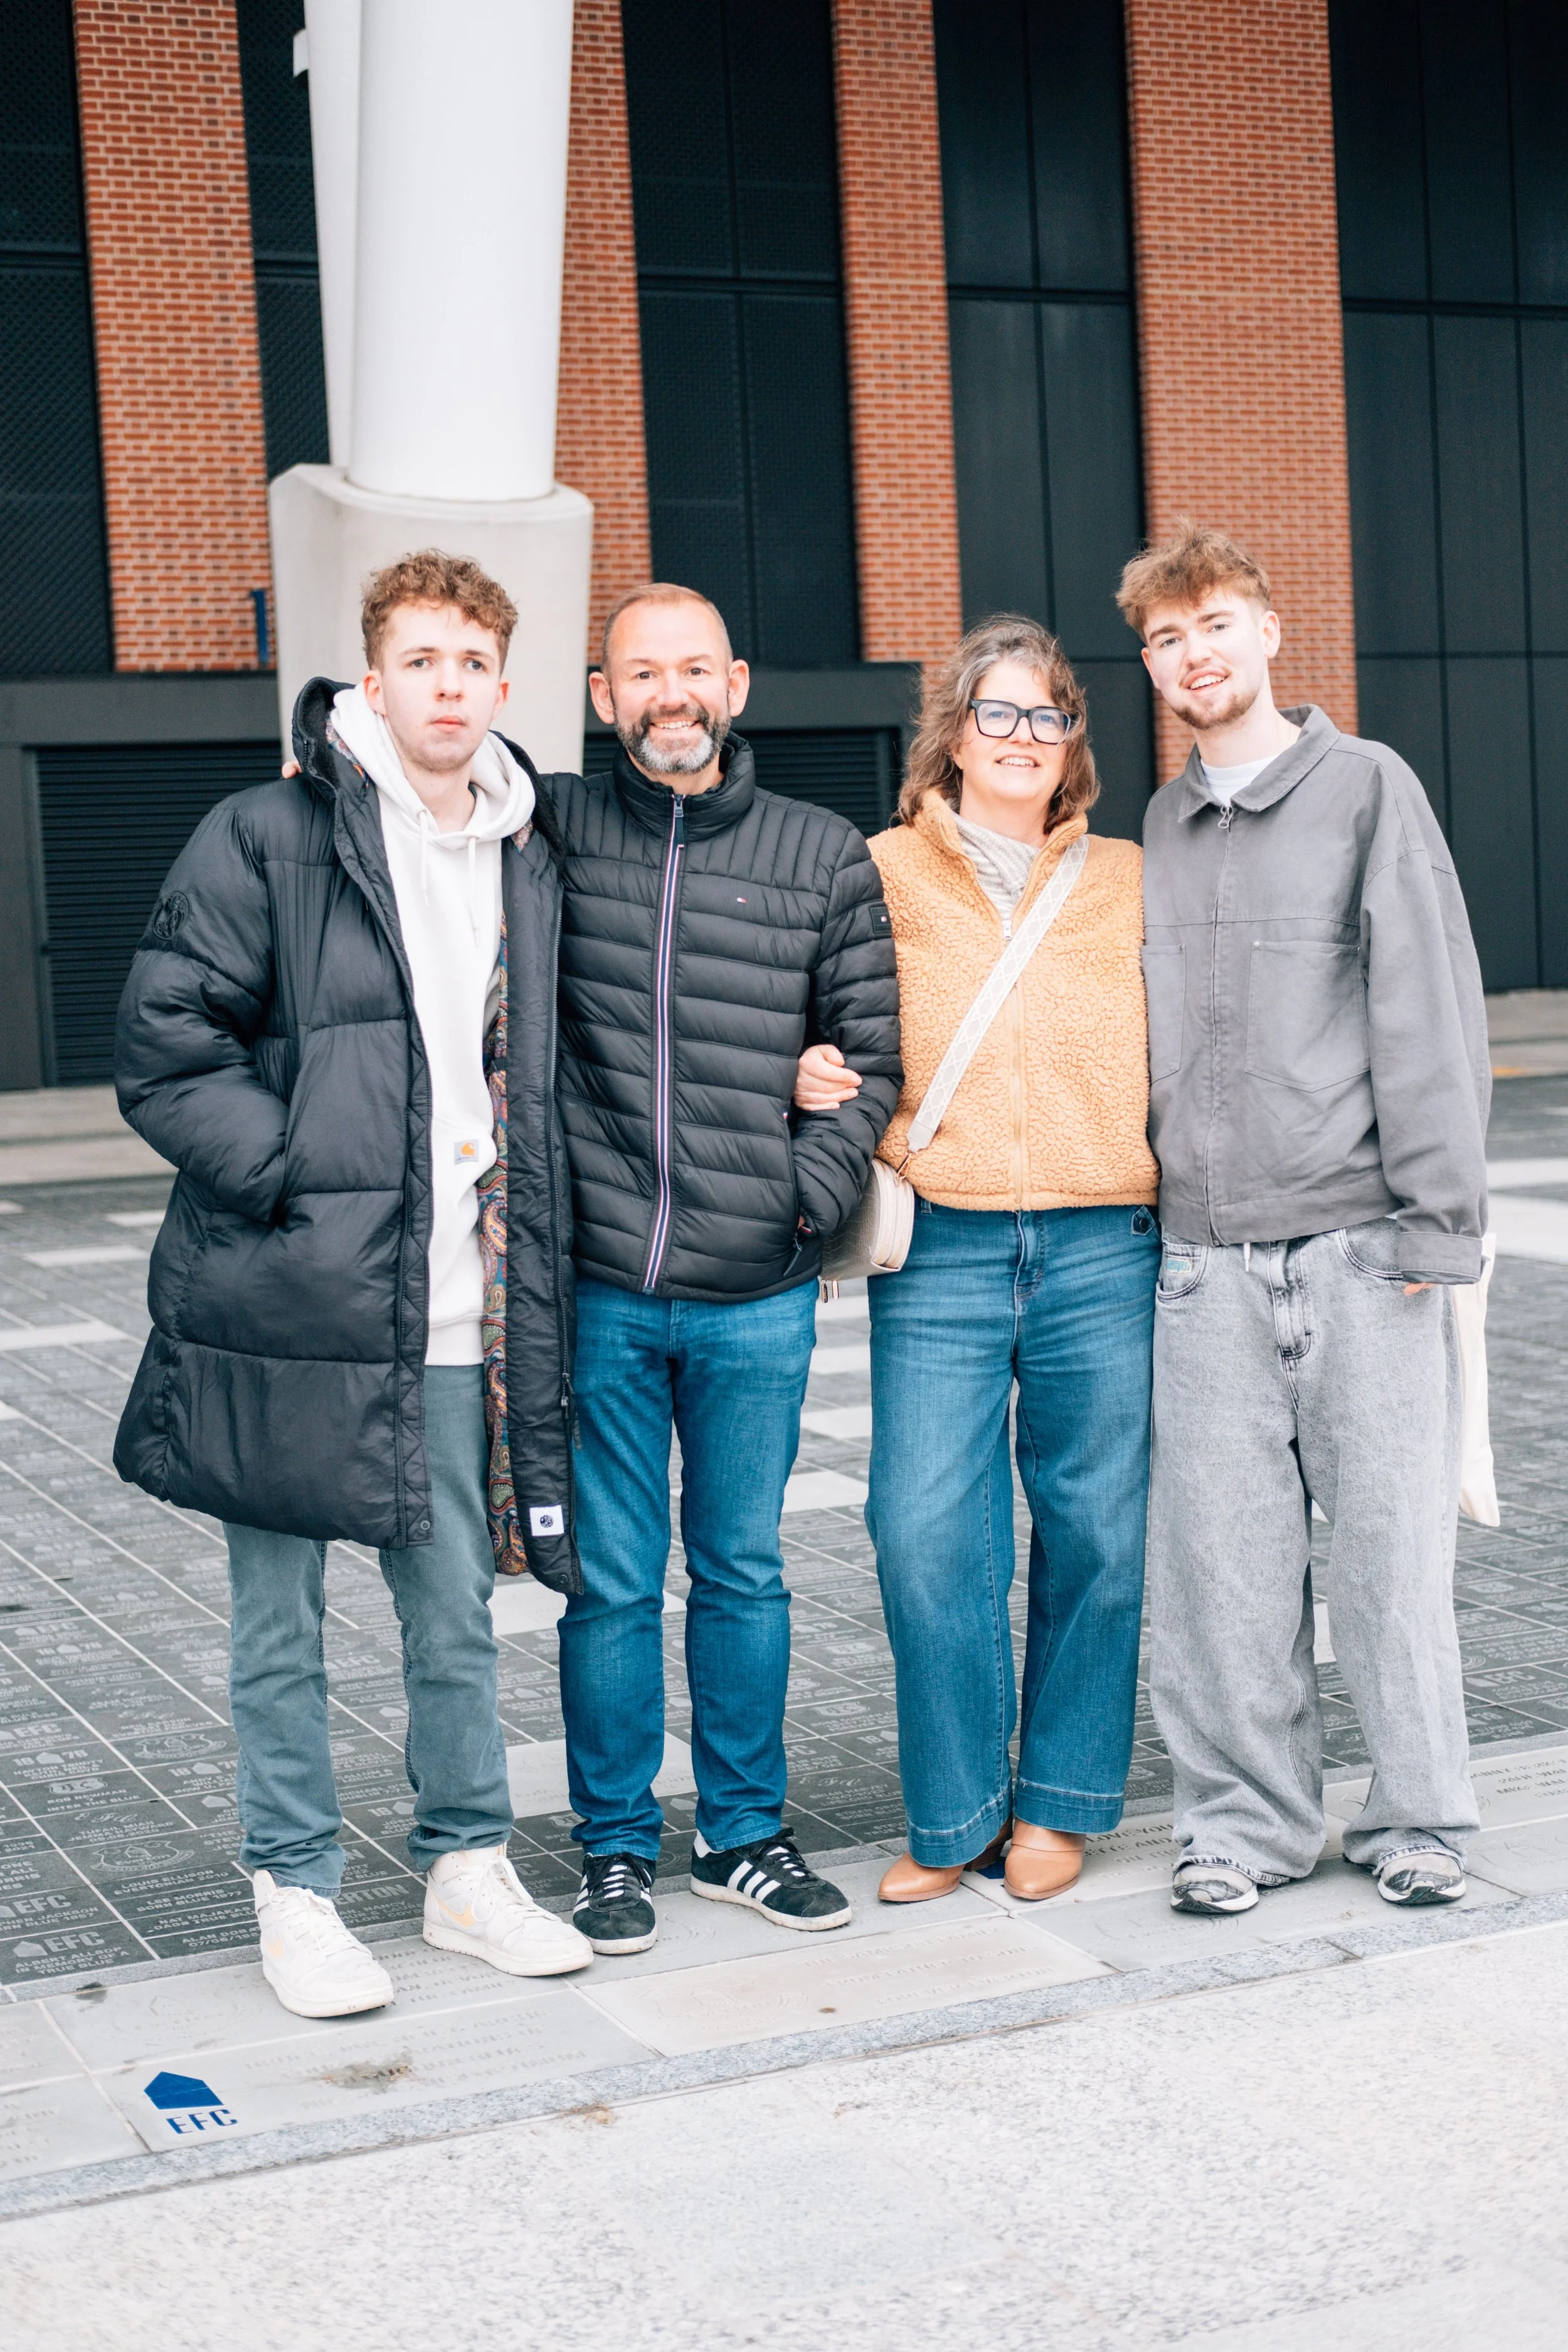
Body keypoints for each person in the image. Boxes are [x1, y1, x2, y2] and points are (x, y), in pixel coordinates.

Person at [114, 551, 593, 2016]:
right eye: (421, 661)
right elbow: (166, 1043)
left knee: (454, 1613)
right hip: (285, 1301)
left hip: (461, 1306)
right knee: (280, 1624)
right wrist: (300, 1185)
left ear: (501, 687)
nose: (447, 687)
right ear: (371, 679)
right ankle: (297, 1889)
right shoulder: (268, 833)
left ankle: (463, 1868)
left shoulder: (533, 848)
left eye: (471, 664)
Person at [1121, 519, 1488, 1915]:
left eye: (1212, 623)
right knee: (1219, 1570)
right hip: (1202, 1262)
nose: (1192, 653)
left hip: (1358, 1249)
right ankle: (1241, 1826)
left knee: (1390, 1555)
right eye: (1164, 637)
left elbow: (1427, 1004)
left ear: (1267, 632)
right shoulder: (1157, 822)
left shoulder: (1364, 789)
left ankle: (1418, 1820)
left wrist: (1435, 1226)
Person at [540, 584, 902, 1956]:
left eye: (693, 669)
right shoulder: (552, 833)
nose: (669, 694)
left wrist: (796, 1215)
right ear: (602, 696)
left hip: (754, 1290)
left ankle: (741, 1834)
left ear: (736, 685)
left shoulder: (819, 855)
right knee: (613, 1581)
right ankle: (615, 1849)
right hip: (600, 1289)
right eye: (643, 673)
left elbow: (865, 1062)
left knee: (742, 1569)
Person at [797, 616, 1160, 1903]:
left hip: (1100, 1238)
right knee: (921, 1533)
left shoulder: (1127, 873)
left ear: (1071, 747)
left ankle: (1058, 1802)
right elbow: (813, 1009)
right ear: (951, 736)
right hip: (940, 1246)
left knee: (1096, 1536)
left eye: (1044, 717)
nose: (1019, 738)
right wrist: (803, 1070)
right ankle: (952, 1814)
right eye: (994, 715)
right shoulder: (876, 869)